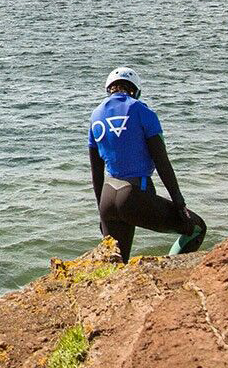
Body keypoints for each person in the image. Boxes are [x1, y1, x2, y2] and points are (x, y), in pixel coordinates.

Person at [87, 66, 208, 261]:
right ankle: (171, 269)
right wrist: (179, 203)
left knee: (117, 262)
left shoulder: (95, 115)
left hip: (107, 197)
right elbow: (162, 162)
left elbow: (96, 172)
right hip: (134, 196)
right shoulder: (140, 110)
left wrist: (101, 212)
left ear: (109, 88)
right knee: (196, 228)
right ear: (135, 90)